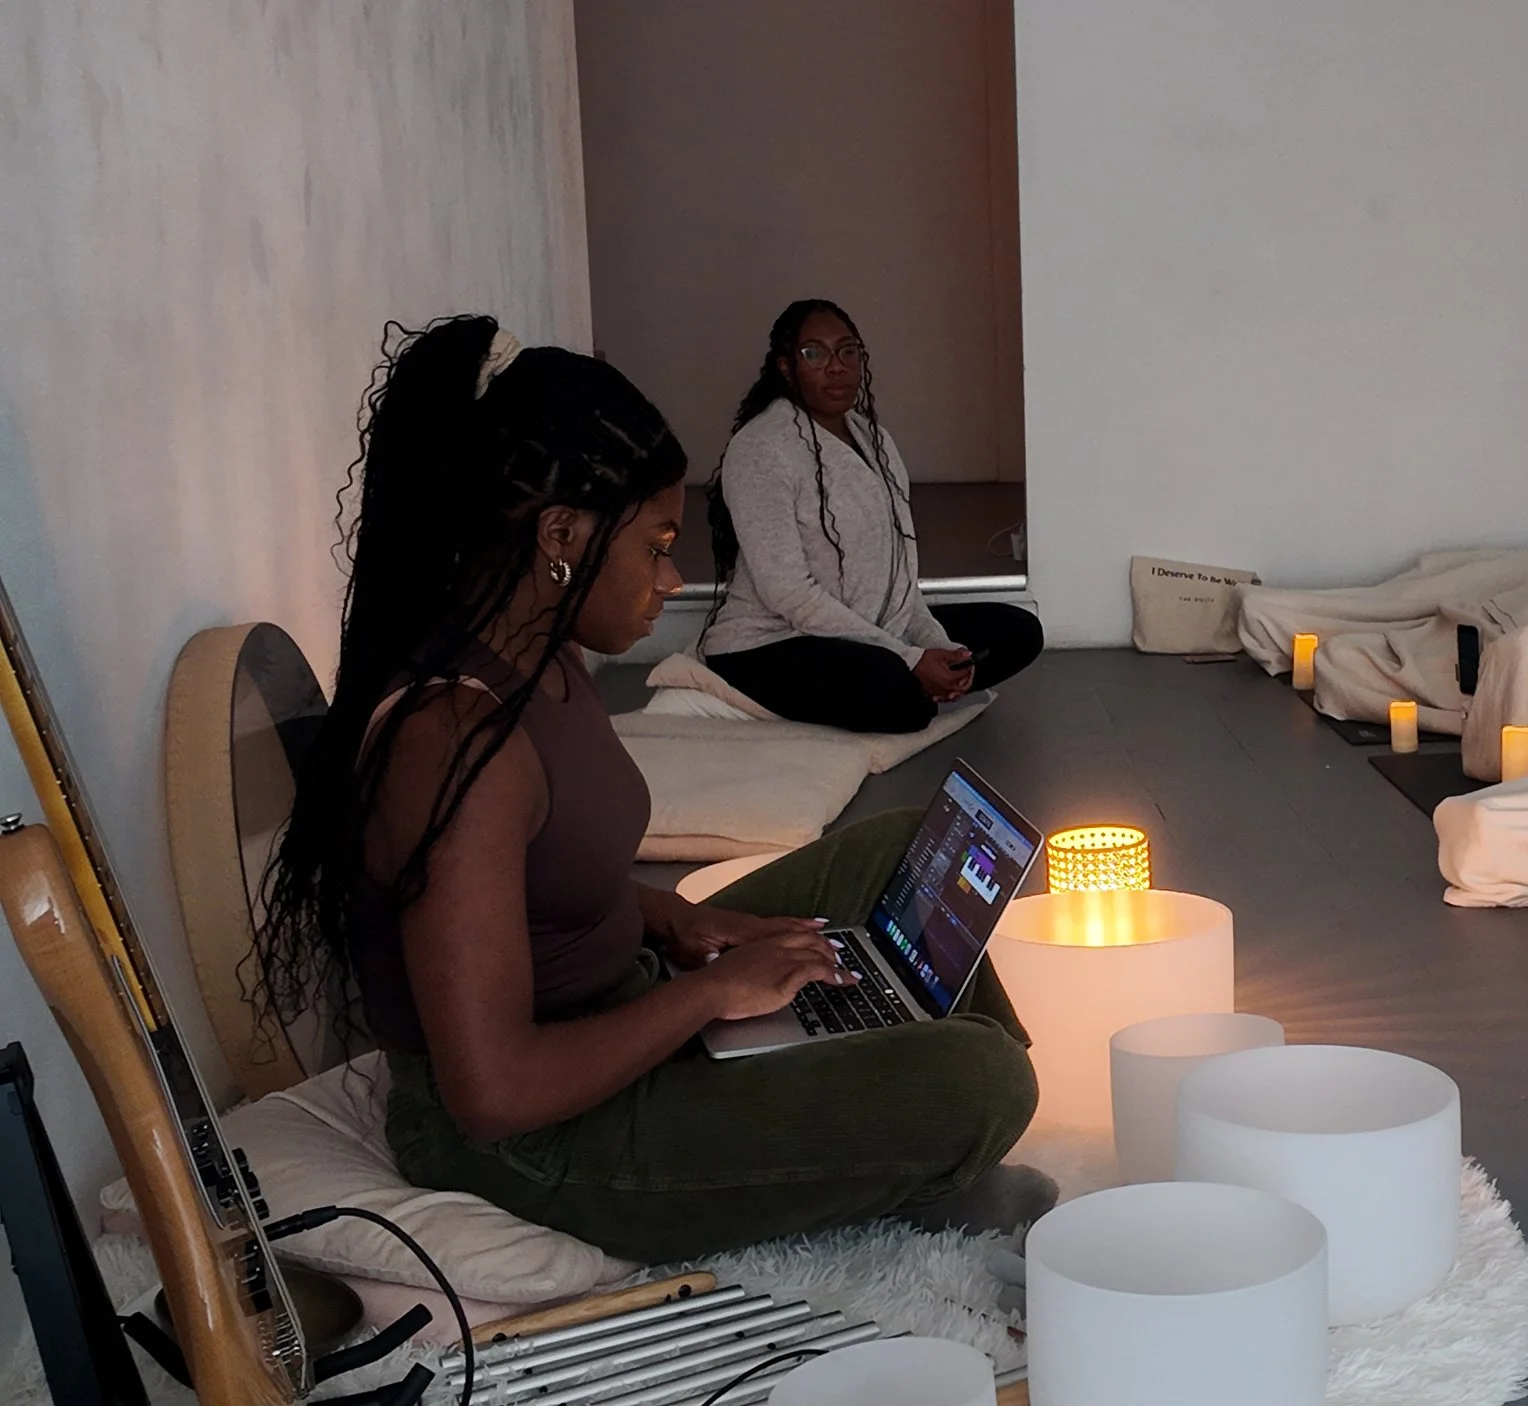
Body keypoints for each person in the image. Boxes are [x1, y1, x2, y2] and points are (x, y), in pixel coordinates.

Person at [253, 316, 1050, 1263]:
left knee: (898, 852)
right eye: (657, 546)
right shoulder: (454, 738)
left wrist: (673, 924)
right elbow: (493, 1092)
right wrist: (710, 995)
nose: (671, 580)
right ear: (560, 534)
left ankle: (884, 1088)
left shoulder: (538, 657)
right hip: (544, 1141)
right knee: (981, 1083)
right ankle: (914, 1114)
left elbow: (533, 879)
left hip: (618, 1000)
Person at [701, 298, 1043, 733]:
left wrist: (938, 646)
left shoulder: (875, 439)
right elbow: (788, 595)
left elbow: (903, 575)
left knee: (1019, 631)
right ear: (786, 367)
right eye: (815, 353)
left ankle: (928, 681)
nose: (836, 366)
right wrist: (910, 658)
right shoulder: (760, 449)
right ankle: (912, 685)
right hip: (774, 642)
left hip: (874, 631)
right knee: (897, 695)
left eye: (848, 351)